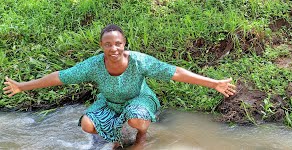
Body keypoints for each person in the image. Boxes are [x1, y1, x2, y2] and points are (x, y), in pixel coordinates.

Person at [3, 24, 236, 149]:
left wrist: (213, 83)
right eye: (108, 44)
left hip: (139, 98)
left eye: (117, 43)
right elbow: (60, 77)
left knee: (136, 118)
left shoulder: (139, 60)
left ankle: (141, 138)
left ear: (124, 44)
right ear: (101, 46)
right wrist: (23, 86)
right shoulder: (94, 65)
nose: (113, 48)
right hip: (110, 102)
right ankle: (116, 137)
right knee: (87, 124)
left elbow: (175, 72)